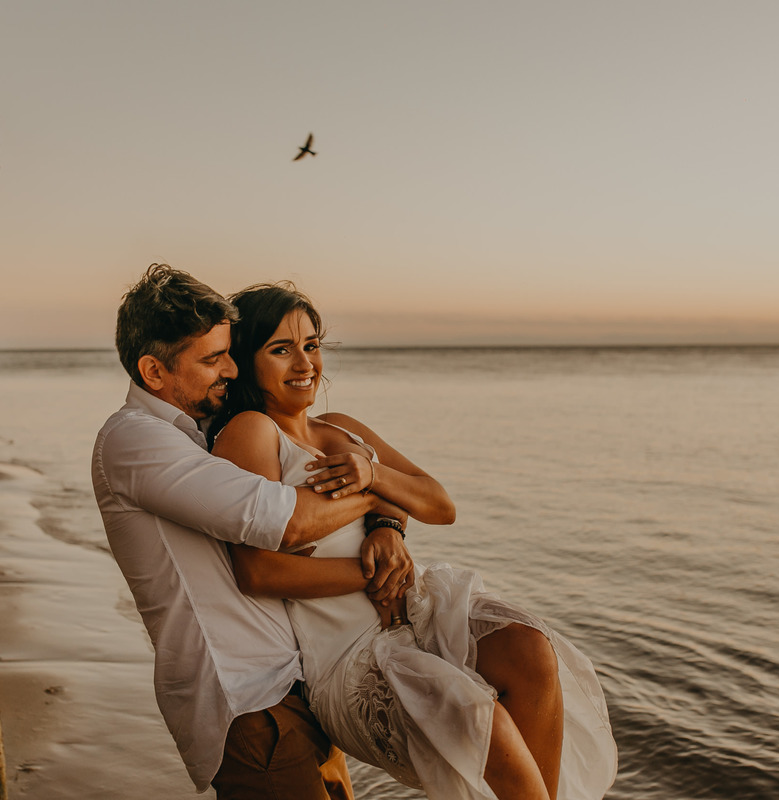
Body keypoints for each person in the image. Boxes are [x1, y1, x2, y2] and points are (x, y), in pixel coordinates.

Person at [207, 283, 619, 800]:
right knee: (477, 717)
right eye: (281, 349)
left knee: (528, 647)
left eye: (311, 345)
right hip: (349, 656)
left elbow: (439, 504)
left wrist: (383, 508)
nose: (305, 363)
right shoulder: (251, 431)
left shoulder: (340, 426)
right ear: (245, 359)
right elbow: (258, 572)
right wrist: (372, 570)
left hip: (418, 613)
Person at [91, 264, 418, 799]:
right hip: (246, 697)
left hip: (303, 682)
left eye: (230, 352)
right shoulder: (136, 442)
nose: (230, 367)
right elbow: (284, 521)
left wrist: (384, 516)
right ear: (153, 371)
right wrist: (376, 482)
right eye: (212, 358)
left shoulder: (202, 436)